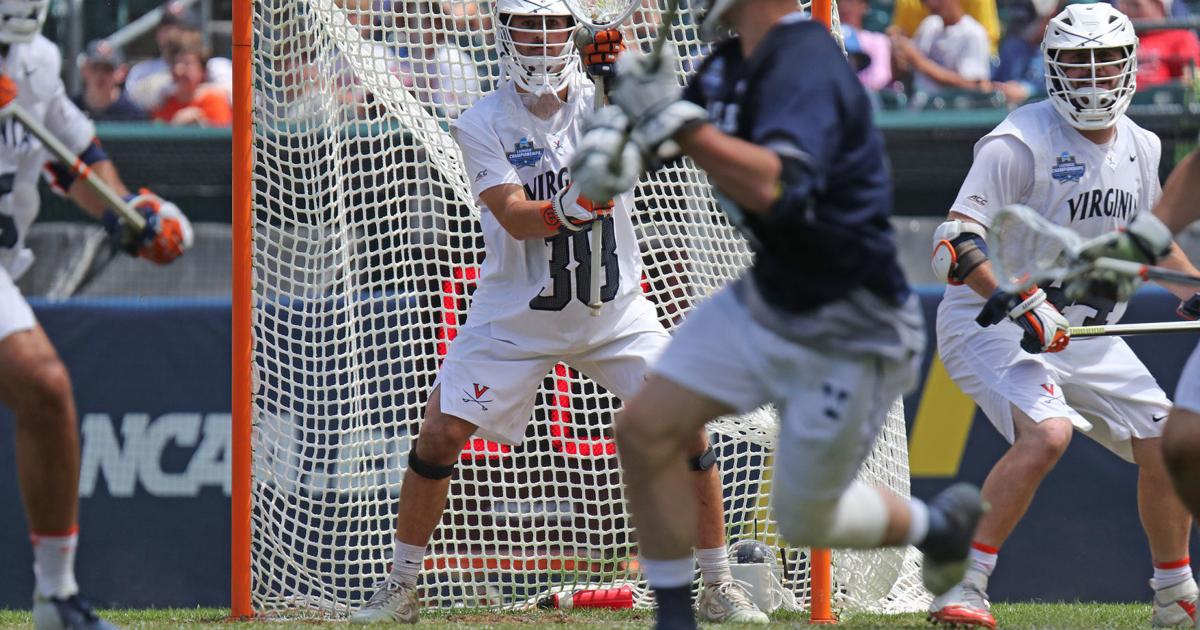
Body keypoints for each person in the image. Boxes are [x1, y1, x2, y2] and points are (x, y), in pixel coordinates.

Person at [347, 0, 766, 624]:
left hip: (614, 311)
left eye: (552, 24)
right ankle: (400, 587)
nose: (541, 37)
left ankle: (718, 583)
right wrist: (572, 206)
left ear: (570, 31)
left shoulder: (603, 100)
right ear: (504, 30)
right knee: (438, 434)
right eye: (527, 24)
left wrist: (626, 78)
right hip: (516, 317)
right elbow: (515, 217)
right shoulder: (480, 122)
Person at [569, 1, 986, 628]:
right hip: (773, 289)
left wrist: (670, 121)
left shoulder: (806, 60)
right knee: (645, 427)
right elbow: (664, 141)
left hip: (851, 304)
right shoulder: (727, 64)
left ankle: (937, 525)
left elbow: (774, 186)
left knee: (807, 515)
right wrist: (616, 138)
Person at [927, 5, 1200, 628]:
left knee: (1166, 444)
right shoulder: (1018, 142)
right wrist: (1023, 304)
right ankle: (961, 588)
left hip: (1082, 329)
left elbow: (1147, 239)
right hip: (991, 321)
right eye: (1078, 62)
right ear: (1052, 66)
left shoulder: (1143, 142)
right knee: (1048, 433)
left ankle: (1175, 597)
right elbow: (953, 244)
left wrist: (1194, 285)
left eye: (1107, 62)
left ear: (1131, 67)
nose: (1094, 77)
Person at [0, 2, 193, 628]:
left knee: (48, 394)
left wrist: (127, 213)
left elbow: (71, 155)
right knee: (45, 386)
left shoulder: (37, 62)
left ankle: (57, 598)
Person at [125, 2, 232, 112]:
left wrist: (196, 92)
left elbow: (236, 97)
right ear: (158, 33)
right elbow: (134, 105)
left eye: (181, 27)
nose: (173, 33)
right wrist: (170, 89)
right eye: (167, 27)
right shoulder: (142, 70)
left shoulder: (216, 66)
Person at [150, 30, 233, 126]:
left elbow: (222, 136)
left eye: (187, 64)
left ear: (202, 70)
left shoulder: (213, 100)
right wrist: (175, 125)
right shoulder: (163, 103)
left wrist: (201, 123)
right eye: (175, 63)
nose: (179, 70)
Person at [1117, 0, 1200, 89]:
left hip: (1163, 99)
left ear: (1158, 6)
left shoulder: (1180, 37)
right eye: (1123, 5)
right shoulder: (1117, 39)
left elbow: (1191, 82)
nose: (1126, 11)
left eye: (1135, 5)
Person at [72, 40, 147, 121]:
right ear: (84, 70)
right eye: (95, 67)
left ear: (121, 73)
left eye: (107, 69)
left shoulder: (134, 116)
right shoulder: (70, 108)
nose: (100, 75)